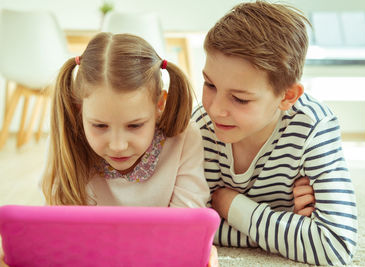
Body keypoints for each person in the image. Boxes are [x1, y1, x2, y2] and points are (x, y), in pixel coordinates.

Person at [0, 32, 218, 266]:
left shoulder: (185, 136)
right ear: (78, 109)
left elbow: (185, 230)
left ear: (159, 105)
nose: (117, 145)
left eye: (135, 125)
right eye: (100, 126)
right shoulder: (67, 137)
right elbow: (59, 228)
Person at [192, 1, 357, 265]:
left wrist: (233, 207)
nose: (215, 109)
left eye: (240, 99)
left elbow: (336, 244)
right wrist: (288, 223)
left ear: (287, 96)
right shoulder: (199, 127)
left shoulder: (314, 127)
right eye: (209, 84)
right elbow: (187, 228)